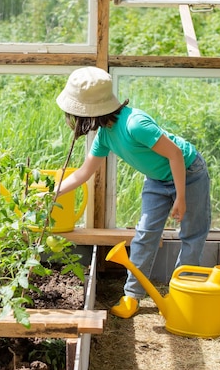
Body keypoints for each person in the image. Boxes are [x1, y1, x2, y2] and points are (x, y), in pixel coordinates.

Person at [53, 66, 211, 318]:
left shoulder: (135, 124)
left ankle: (184, 292)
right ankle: (132, 296)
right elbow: (84, 173)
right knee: (145, 234)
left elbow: (175, 154)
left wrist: (180, 197)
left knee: (192, 233)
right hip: (158, 180)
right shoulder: (105, 135)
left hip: (188, 173)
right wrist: (53, 193)